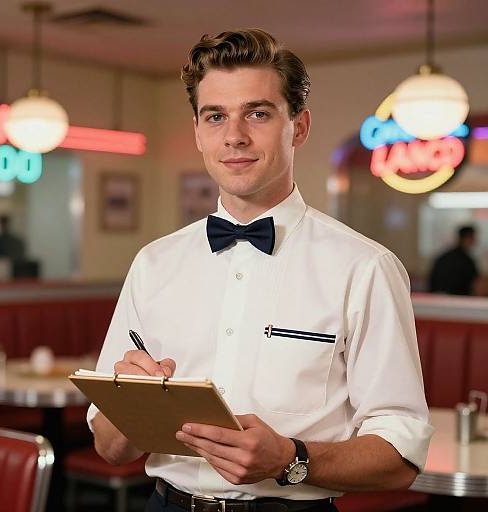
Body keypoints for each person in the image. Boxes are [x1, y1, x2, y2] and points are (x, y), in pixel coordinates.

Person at [88, 29, 433, 512]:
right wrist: (134, 401)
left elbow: (402, 456)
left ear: (299, 126)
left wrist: (292, 459)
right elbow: (109, 447)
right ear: (198, 131)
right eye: (215, 116)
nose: (234, 136)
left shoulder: (366, 267)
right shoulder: (153, 263)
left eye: (257, 112)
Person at [429, 225, 481, 296]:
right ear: (467, 238)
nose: (475, 241)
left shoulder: (443, 257)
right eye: (473, 238)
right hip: (459, 301)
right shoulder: (468, 262)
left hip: (436, 299)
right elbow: (475, 286)